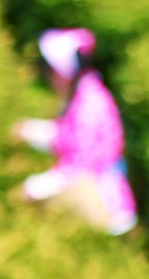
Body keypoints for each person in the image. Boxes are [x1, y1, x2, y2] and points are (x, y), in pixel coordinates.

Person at [12, 27, 138, 236]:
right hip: (95, 191)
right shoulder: (83, 95)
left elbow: (80, 165)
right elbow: (66, 137)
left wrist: (34, 188)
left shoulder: (89, 104)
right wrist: (29, 131)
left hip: (103, 203)